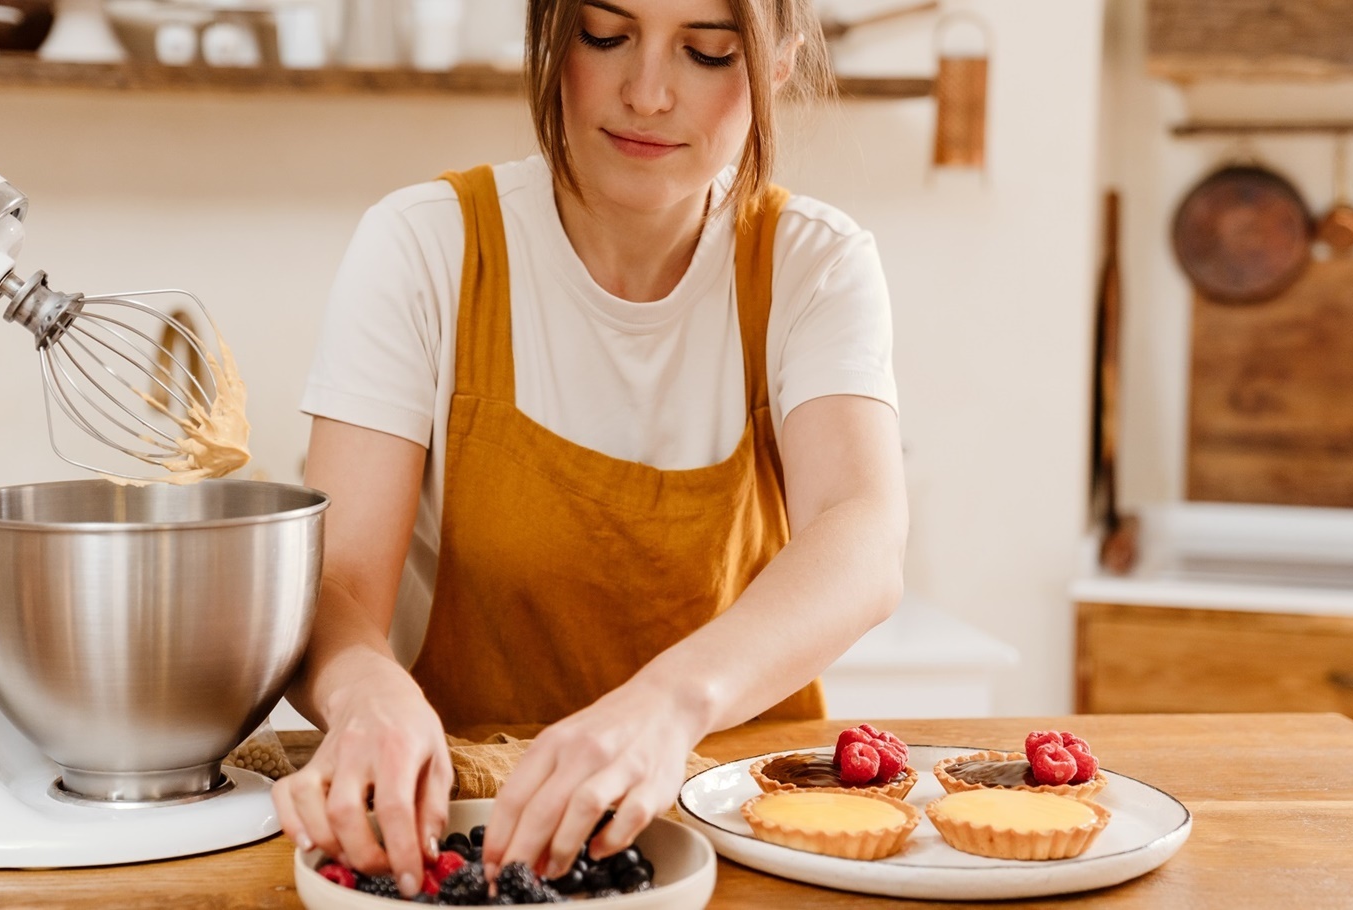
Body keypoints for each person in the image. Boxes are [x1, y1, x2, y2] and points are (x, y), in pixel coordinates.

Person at [275, 0, 907, 899]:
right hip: (463, 830)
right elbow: (334, 587)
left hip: (735, 834)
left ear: (773, 66)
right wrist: (364, 696)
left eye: (707, 52)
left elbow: (862, 536)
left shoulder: (813, 264)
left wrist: (664, 709)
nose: (646, 93)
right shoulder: (424, 246)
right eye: (605, 37)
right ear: (550, 36)